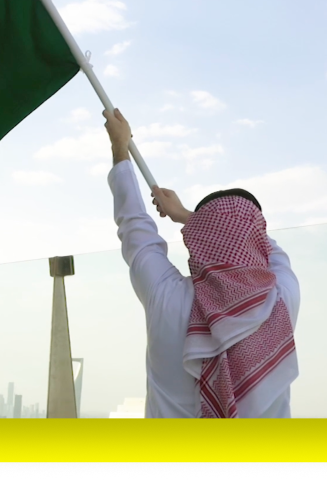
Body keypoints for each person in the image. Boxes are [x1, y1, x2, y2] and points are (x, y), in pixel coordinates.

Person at [103, 108, 300, 418]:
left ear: (198, 239)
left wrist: (120, 147)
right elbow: (264, 244)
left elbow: (134, 228)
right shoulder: (282, 300)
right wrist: (187, 215)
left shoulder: (167, 298)